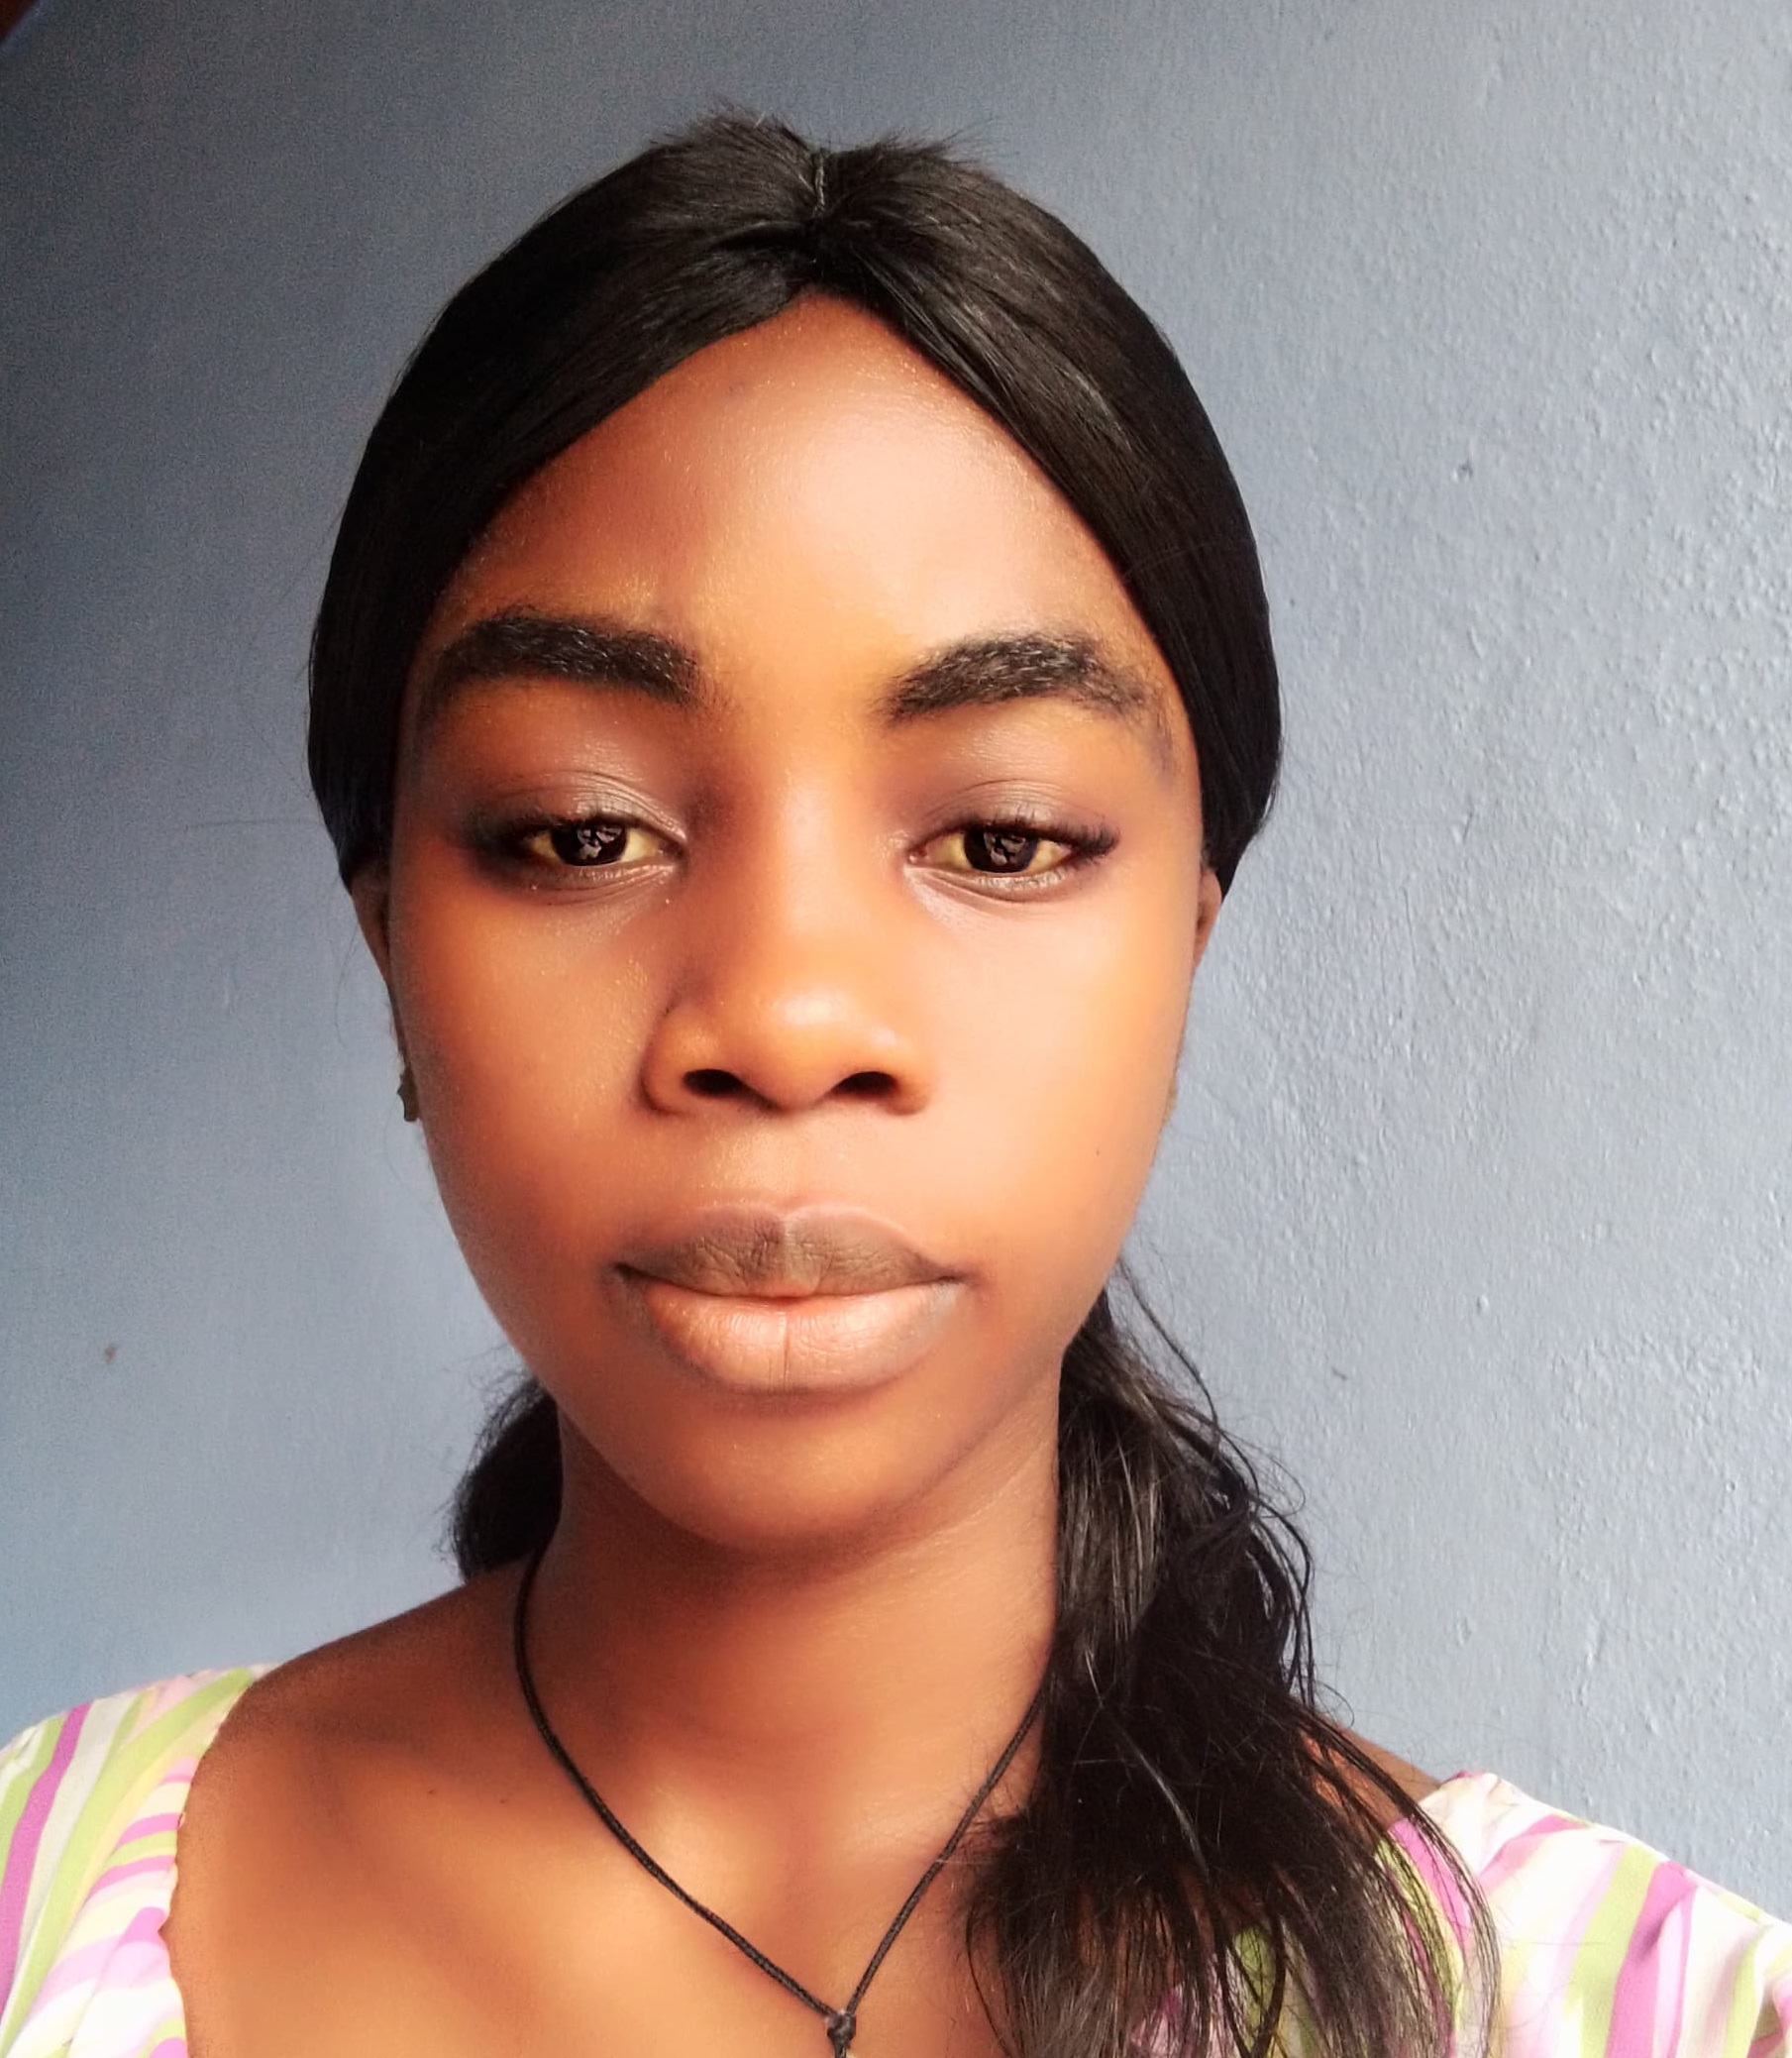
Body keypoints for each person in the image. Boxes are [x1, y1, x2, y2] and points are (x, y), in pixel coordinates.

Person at [0, 112, 1785, 2058]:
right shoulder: (34, 1906)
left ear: (1182, 950)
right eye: (581, 832)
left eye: (1000, 839)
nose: (784, 1014)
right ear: (390, 954)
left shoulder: (1642, 2014)